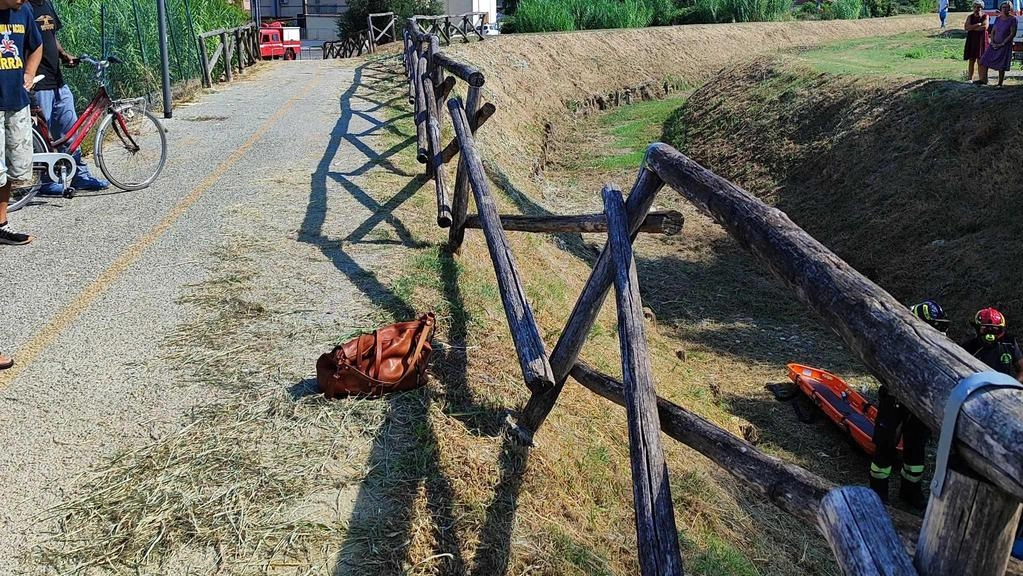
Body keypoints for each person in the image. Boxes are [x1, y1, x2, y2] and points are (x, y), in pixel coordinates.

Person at [868, 300, 950, 507]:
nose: (938, 330)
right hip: (894, 402)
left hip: (920, 406)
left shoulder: (940, 347)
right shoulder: (895, 342)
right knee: (884, 447)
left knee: (916, 451)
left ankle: (911, 492)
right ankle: (878, 492)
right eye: (933, 325)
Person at [28, 0, 107, 195]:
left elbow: (51, 35)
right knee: (43, 136)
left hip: (57, 81)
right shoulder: (24, 7)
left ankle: (80, 175)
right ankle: (45, 182)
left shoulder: (46, 4)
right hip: (38, 83)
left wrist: (64, 55)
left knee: (70, 130)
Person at [0, 0, 43, 246]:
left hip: (16, 101)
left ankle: (1, 225)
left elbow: (36, 46)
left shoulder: (24, 11)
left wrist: (28, 74)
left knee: (10, 169)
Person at [961, 307, 1023, 381]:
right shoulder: (969, 348)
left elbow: (1021, 369)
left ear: (1001, 330)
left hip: (1005, 387)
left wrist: (1013, 385)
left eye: (995, 329)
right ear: (977, 329)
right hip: (979, 387)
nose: (990, 333)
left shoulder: (1009, 343)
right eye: (985, 329)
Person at [976, 0, 1018, 86]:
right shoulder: (998, 18)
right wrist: (992, 42)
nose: (1004, 9)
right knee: (984, 59)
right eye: (1003, 7)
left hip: (1005, 44)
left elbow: (1012, 34)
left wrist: (1002, 43)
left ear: (1010, 9)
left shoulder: (1013, 19)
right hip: (994, 43)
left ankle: (1000, 83)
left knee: (1001, 65)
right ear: (1001, 8)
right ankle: (983, 80)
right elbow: (994, 30)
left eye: (1007, 8)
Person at [964, 0, 989, 81]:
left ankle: (981, 79)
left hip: (981, 40)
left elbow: (984, 27)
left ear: (982, 8)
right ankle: (970, 78)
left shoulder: (985, 16)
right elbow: (966, 27)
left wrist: (972, 27)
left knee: (980, 60)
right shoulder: (970, 17)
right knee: (971, 59)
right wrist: (976, 25)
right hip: (972, 40)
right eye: (974, 7)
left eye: (978, 7)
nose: (976, 9)